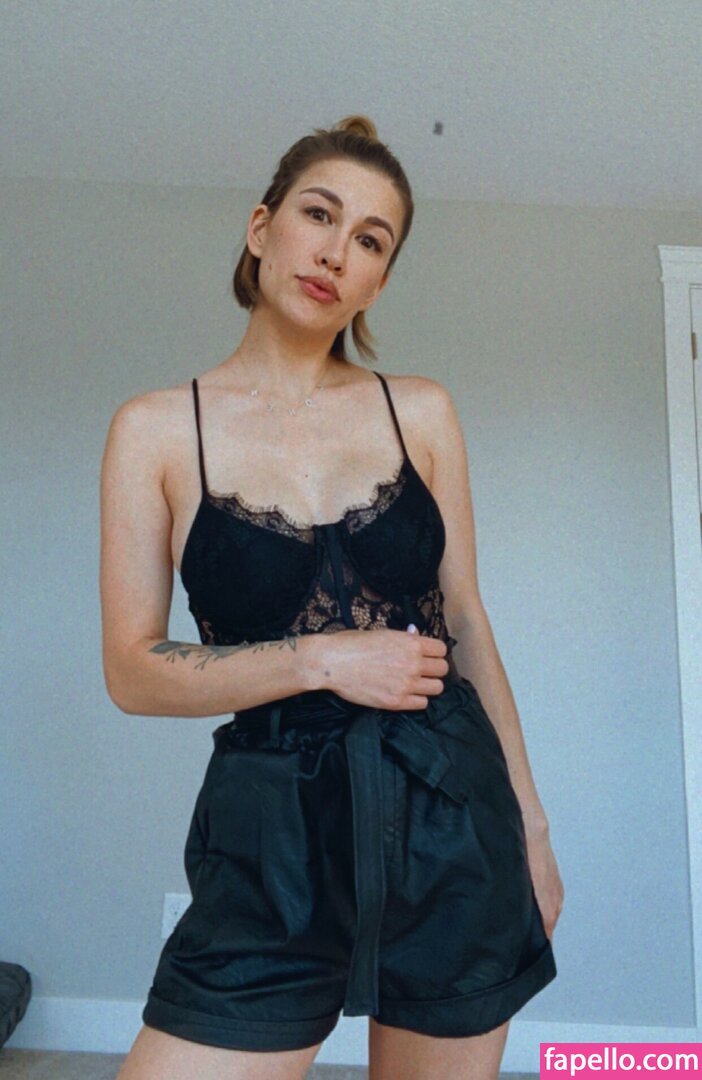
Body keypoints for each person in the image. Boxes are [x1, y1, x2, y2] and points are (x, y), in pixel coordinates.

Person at [101, 114, 564, 1080]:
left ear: (378, 281)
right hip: (270, 835)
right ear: (261, 227)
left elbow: (466, 622)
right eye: (319, 214)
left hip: (451, 815)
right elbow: (133, 672)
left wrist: (530, 825)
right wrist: (322, 658)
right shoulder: (154, 430)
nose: (336, 252)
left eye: (370, 239)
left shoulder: (421, 411)